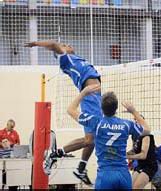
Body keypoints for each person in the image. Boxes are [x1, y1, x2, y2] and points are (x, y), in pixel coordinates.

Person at [25, 41, 102, 184]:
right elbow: (54, 45)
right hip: (90, 98)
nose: (67, 45)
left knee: (92, 139)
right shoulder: (65, 58)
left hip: (96, 98)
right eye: (64, 45)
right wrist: (36, 43)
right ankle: (55, 154)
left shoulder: (78, 59)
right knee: (89, 140)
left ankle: (81, 168)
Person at [67, 85, 151, 189]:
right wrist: (133, 111)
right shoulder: (127, 124)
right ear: (116, 108)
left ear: (101, 108)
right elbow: (147, 129)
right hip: (123, 175)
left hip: (105, 174)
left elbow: (70, 110)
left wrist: (83, 93)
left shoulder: (96, 122)